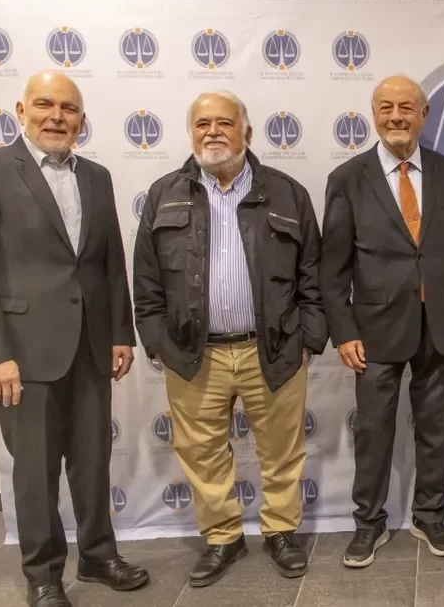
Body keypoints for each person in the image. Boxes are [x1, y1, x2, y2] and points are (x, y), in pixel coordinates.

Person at [0, 71, 149, 607]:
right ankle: (43, 573)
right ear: (20, 110)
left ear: (82, 119)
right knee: (35, 472)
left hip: (90, 346)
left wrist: (120, 334)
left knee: (92, 459)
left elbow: (109, 262)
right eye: (45, 105)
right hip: (22, 354)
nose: (57, 117)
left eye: (69, 108)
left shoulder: (97, 177)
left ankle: (100, 556)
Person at [132, 90, 326, 587]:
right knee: (201, 451)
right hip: (193, 354)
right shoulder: (164, 195)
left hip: (275, 347)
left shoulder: (287, 193)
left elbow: (313, 276)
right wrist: (157, 342)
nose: (212, 132)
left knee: (282, 450)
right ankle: (222, 537)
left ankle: (281, 531)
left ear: (247, 132)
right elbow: (147, 281)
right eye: (202, 123)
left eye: (224, 122)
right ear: (190, 131)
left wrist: (309, 338)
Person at [321, 75, 444, 567]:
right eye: (387, 107)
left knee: (435, 429)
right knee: (374, 433)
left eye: (407, 108)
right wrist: (343, 331)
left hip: (442, 324)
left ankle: (429, 516)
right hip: (373, 331)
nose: (397, 116)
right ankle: (369, 524)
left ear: (424, 115)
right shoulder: (348, 178)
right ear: (373, 114)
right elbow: (332, 268)